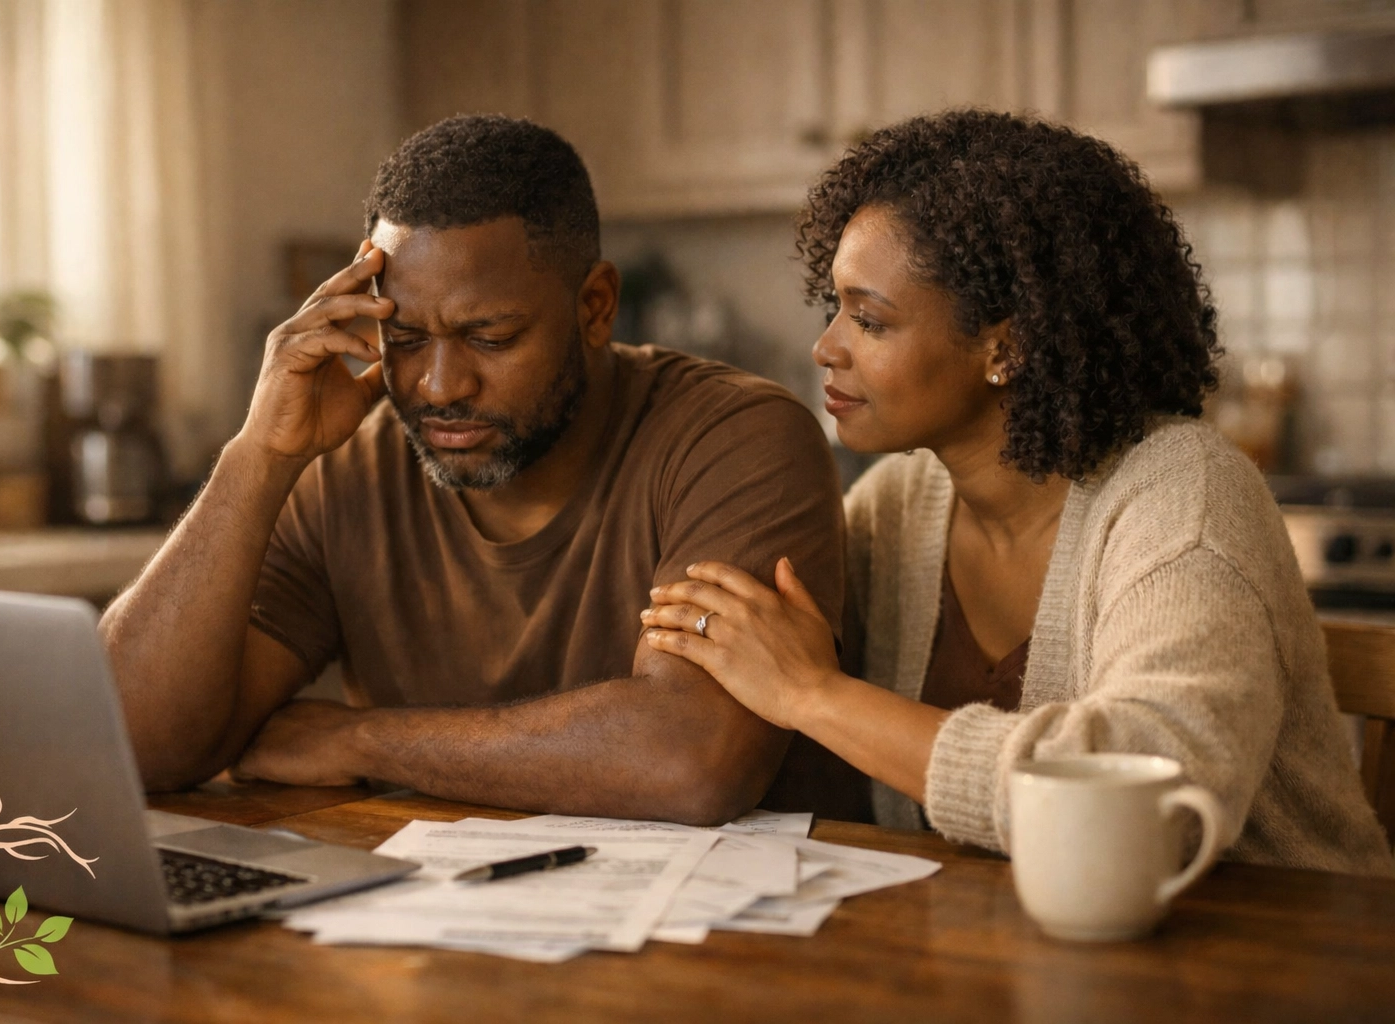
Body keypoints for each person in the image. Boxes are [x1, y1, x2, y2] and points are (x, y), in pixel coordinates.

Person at [642, 109, 1392, 872]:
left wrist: (815, 694)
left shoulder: (1184, 497)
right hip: (1025, 951)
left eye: (868, 320)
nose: (825, 347)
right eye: (834, 308)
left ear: (1007, 345)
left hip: (1282, 952)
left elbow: (1154, 801)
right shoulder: (895, 509)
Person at [99, 114, 851, 826]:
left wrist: (364, 741)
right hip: (437, 929)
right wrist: (258, 456)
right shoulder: (345, 470)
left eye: (488, 338)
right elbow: (131, 745)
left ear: (595, 307)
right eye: (406, 338)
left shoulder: (732, 440)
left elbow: (690, 759)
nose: (438, 386)